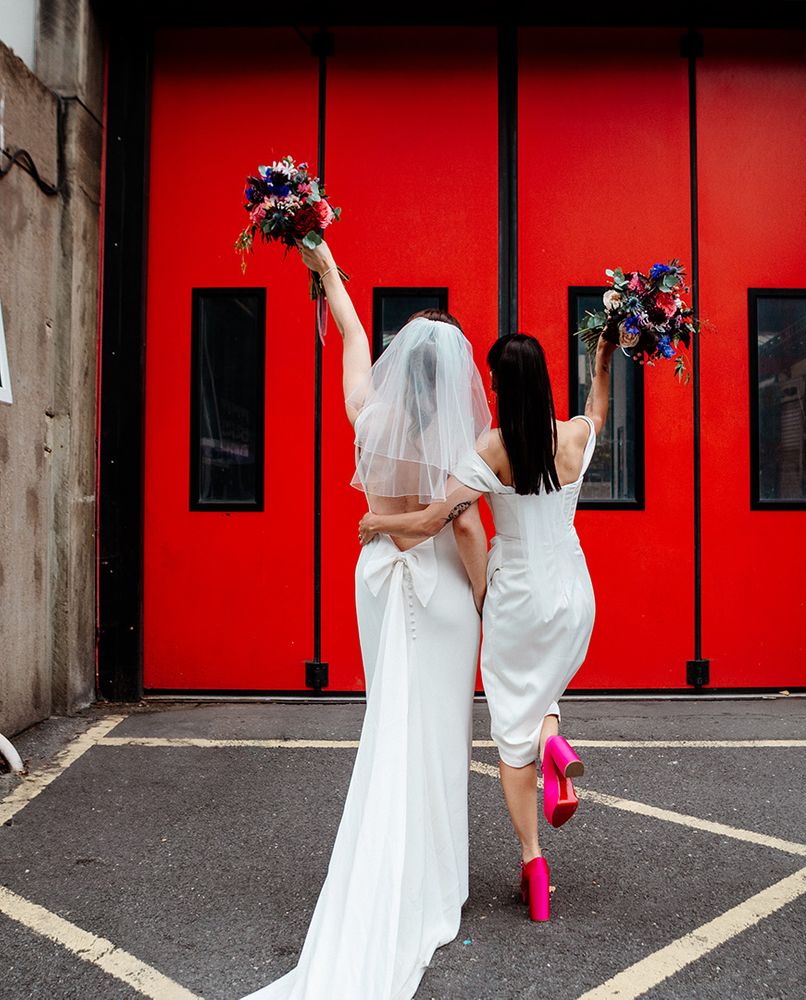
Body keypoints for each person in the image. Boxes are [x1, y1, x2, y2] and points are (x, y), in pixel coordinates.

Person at [237, 237, 491, 1000]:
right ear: (453, 379)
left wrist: (323, 258)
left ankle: (404, 858)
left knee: (391, 716)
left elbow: (348, 329)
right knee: (441, 727)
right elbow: (467, 529)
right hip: (440, 588)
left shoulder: (367, 413)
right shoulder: (458, 442)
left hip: (378, 579)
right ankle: (437, 880)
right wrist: (487, 599)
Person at [358, 331, 613, 922]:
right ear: (546, 380)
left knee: (508, 734)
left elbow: (431, 520)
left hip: (517, 595)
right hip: (574, 593)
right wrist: (602, 362)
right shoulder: (573, 437)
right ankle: (554, 738)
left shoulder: (493, 448)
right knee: (543, 691)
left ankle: (533, 862)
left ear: (502, 387)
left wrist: (376, 517)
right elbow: (598, 409)